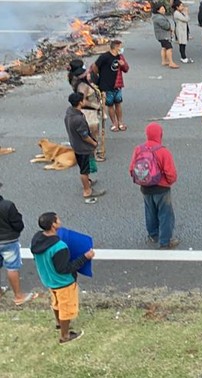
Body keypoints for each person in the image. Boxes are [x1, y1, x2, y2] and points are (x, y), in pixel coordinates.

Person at [31, 212, 94, 344]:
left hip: (49, 280)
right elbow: (65, 269)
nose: (60, 220)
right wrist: (85, 257)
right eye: (57, 219)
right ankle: (65, 336)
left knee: (56, 303)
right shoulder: (59, 247)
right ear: (53, 225)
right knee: (66, 308)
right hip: (63, 283)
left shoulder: (36, 239)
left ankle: (59, 323)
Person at [129, 123, 180, 249]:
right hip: (162, 188)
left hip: (145, 188)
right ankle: (165, 241)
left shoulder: (138, 149)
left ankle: (153, 235)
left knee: (150, 212)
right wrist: (168, 182)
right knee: (165, 214)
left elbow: (131, 169)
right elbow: (171, 174)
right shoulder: (163, 151)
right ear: (160, 134)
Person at [0, 185, 38, 306]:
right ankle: (18, 296)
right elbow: (18, 224)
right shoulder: (7, 205)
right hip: (8, 241)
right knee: (12, 267)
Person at [65, 93, 104, 204]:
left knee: (83, 166)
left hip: (76, 145)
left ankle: (88, 182)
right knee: (84, 170)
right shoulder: (78, 119)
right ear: (80, 102)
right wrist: (94, 143)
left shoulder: (69, 113)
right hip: (83, 147)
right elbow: (85, 136)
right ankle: (87, 190)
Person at [89, 39, 128, 132]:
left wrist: (123, 65)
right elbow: (95, 66)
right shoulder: (104, 57)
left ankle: (120, 122)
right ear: (115, 47)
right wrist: (98, 75)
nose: (121, 49)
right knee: (110, 105)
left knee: (118, 103)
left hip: (117, 84)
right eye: (120, 47)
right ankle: (114, 123)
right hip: (106, 85)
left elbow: (126, 69)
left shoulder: (120, 57)